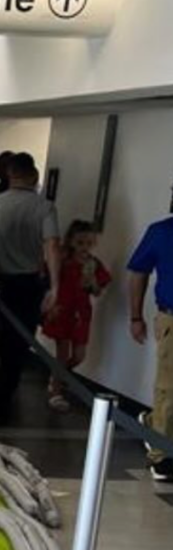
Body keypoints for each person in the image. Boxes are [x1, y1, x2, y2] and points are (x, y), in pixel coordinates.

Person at [0, 152, 62, 416]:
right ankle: (1, 402)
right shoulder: (44, 207)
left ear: (10, 175)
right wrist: (55, 287)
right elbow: (52, 245)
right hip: (27, 285)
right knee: (16, 347)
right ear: (33, 175)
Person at [42, 221, 111, 411]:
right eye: (80, 243)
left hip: (81, 313)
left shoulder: (93, 264)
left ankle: (58, 376)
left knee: (79, 355)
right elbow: (48, 277)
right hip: (62, 310)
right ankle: (56, 391)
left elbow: (97, 291)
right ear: (71, 241)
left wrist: (93, 282)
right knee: (62, 353)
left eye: (89, 243)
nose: (84, 248)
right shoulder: (63, 260)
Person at [128, 200, 173, 482]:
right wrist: (135, 316)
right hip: (171, 317)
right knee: (169, 387)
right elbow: (138, 272)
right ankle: (162, 455)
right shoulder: (161, 232)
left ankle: (152, 422)